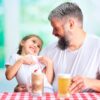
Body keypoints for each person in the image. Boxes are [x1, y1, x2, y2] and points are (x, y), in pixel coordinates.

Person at [14, 2, 100, 93]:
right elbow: (36, 80)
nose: (53, 33)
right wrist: (24, 88)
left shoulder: (97, 46)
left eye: (56, 28)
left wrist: (90, 83)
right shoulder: (50, 49)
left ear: (71, 24)